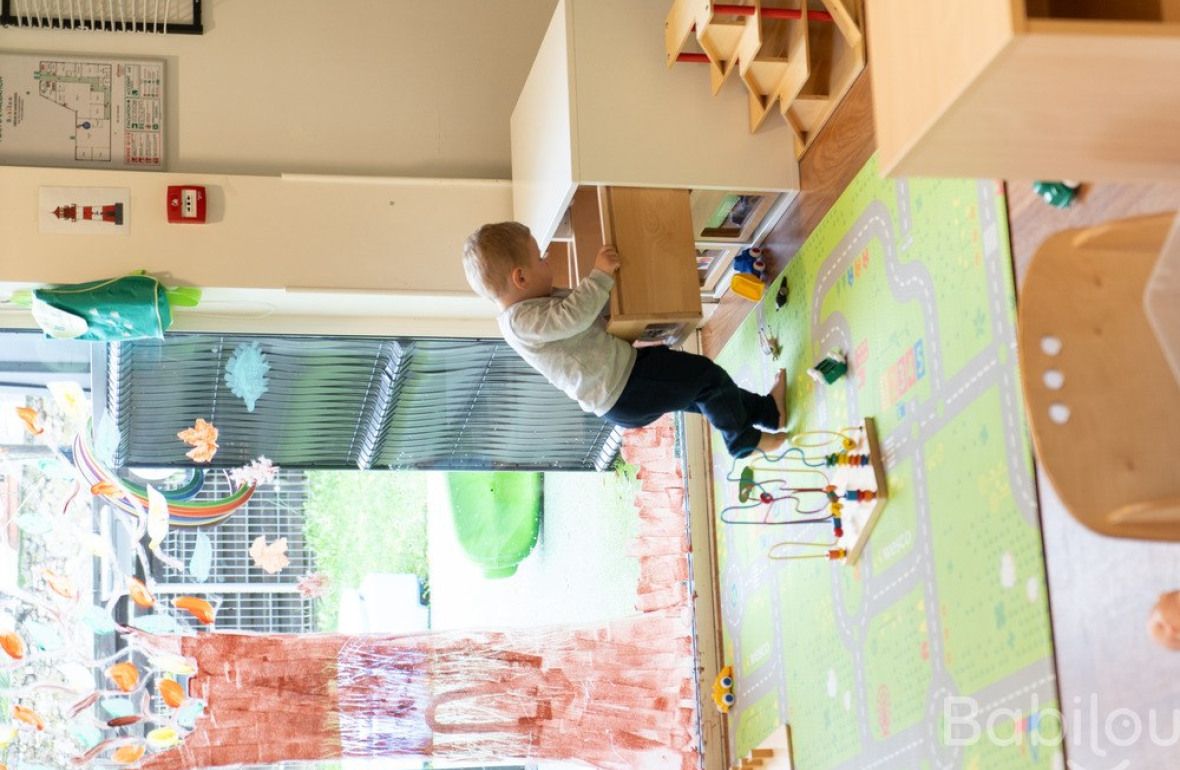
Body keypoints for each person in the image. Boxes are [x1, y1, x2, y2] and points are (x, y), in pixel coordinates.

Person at [461, 221, 787, 458]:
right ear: (521, 277)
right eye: (541, 258)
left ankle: (768, 412)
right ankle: (742, 439)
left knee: (706, 392)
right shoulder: (521, 321)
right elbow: (574, 314)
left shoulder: (529, 306)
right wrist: (600, 274)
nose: (548, 263)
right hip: (624, 389)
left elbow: (585, 311)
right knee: (706, 377)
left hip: (626, 379)